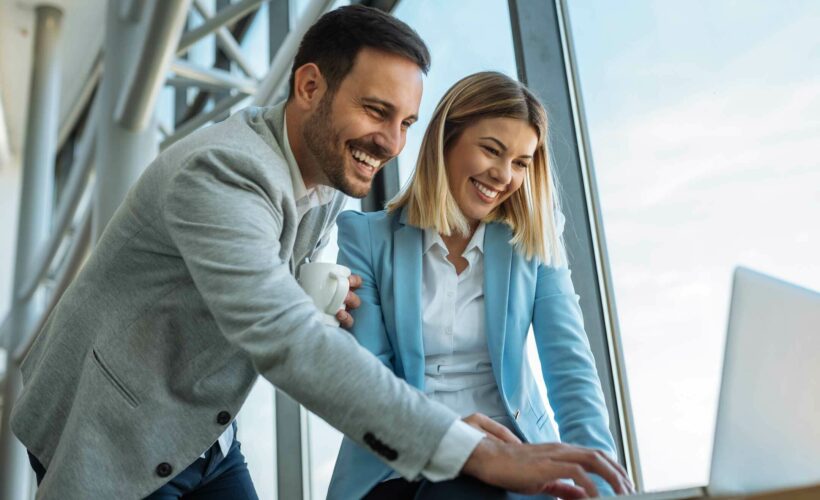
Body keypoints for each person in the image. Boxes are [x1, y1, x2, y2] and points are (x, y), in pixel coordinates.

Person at [11, 5, 629, 499]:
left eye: (407, 123)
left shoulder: (331, 174)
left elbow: (273, 297)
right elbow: (286, 339)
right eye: (376, 111)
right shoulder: (223, 170)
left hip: (206, 431)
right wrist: (479, 453)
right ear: (309, 86)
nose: (390, 142)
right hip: (112, 423)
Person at [329, 72, 632, 499]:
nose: (504, 175)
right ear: (446, 140)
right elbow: (371, 379)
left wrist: (604, 487)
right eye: (492, 150)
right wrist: (449, 440)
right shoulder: (367, 238)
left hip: (516, 459)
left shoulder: (532, 242)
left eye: (521, 163)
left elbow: (571, 370)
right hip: (400, 465)